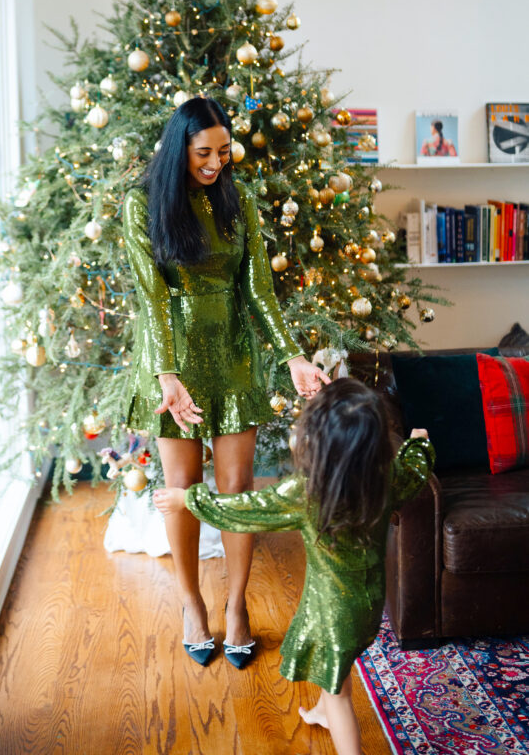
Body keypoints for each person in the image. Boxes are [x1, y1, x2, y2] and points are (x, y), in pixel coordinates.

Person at [123, 96, 329, 668]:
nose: (216, 163)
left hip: (234, 356)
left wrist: (291, 357)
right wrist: (168, 374)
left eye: (223, 151)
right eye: (203, 153)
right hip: (172, 364)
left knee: (237, 492)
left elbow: (258, 290)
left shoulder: (238, 204)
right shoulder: (141, 205)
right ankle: (192, 606)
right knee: (183, 493)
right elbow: (154, 296)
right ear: (177, 150)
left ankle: (236, 606)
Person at [153, 378, 434, 755]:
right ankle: (321, 711)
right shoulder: (386, 477)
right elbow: (416, 471)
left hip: (331, 612)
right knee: (335, 663)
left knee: (340, 692)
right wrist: (419, 443)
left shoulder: (307, 492)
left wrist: (187, 498)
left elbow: (245, 509)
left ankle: (344, 735)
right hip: (368, 602)